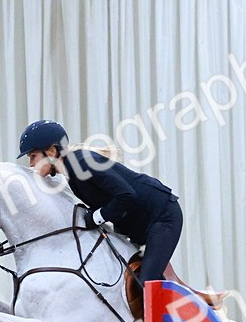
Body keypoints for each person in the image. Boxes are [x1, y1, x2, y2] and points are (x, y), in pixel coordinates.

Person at [17, 119, 182, 286]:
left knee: (146, 283)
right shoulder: (72, 175)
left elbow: (126, 195)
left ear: (51, 151)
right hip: (137, 225)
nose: (31, 164)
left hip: (162, 217)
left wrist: (96, 217)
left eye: (33, 156)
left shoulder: (82, 162)